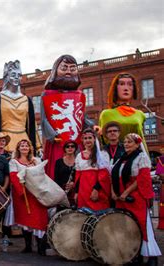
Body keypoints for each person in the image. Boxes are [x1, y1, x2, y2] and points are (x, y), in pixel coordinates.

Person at [111, 133, 161, 266]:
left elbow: (141, 179)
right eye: (125, 142)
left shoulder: (142, 157)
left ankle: (151, 256)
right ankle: (135, 254)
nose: (126, 144)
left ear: (138, 144)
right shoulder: (121, 159)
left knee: (143, 225)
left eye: (130, 142)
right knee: (128, 228)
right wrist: (114, 192)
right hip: (121, 198)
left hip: (135, 197)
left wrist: (126, 192)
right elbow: (113, 176)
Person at [41, 55, 92, 179]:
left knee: (78, 169)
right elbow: (44, 120)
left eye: (72, 68)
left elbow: (81, 117)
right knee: (56, 170)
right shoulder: (47, 94)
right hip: (58, 141)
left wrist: (92, 126)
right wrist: (52, 135)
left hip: (76, 141)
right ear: (55, 70)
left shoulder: (79, 95)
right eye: (64, 68)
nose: (68, 71)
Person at [0, 60, 39, 154]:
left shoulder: (27, 100)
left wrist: (38, 146)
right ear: (6, 76)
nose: (17, 78)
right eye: (13, 75)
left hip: (24, 144)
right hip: (4, 143)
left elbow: (32, 125)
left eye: (19, 75)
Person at [9, 139, 48, 255]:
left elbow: (42, 175)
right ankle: (28, 246)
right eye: (22, 145)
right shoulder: (13, 162)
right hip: (23, 195)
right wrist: (22, 191)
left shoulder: (36, 160)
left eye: (26, 145)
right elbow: (13, 177)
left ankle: (41, 247)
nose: (24, 147)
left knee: (39, 219)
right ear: (18, 148)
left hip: (36, 194)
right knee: (26, 220)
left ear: (30, 148)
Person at [99, 73, 147, 150]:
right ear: (115, 88)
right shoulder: (106, 114)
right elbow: (103, 140)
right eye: (121, 84)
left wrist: (146, 158)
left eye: (130, 85)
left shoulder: (139, 114)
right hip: (115, 157)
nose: (126, 88)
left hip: (137, 157)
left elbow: (142, 139)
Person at [74, 129, 111, 211]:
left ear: (94, 139)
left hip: (98, 189)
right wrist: (76, 192)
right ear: (82, 141)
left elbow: (104, 175)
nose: (87, 140)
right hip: (83, 191)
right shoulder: (79, 156)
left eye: (90, 138)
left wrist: (96, 190)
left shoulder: (102, 154)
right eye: (85, 138)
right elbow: (78, 177)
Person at [54, 140, 78, 209]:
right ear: (64, 149)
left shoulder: (79, 161)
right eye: (67, 146)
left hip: (76, 193)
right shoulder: (58, 162)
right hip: (63, 193)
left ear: (75, 148)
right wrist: (64, 186)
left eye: (72, 146)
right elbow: (56, 179)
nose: (70, 148)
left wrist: (74, 184)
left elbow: (82, 177)